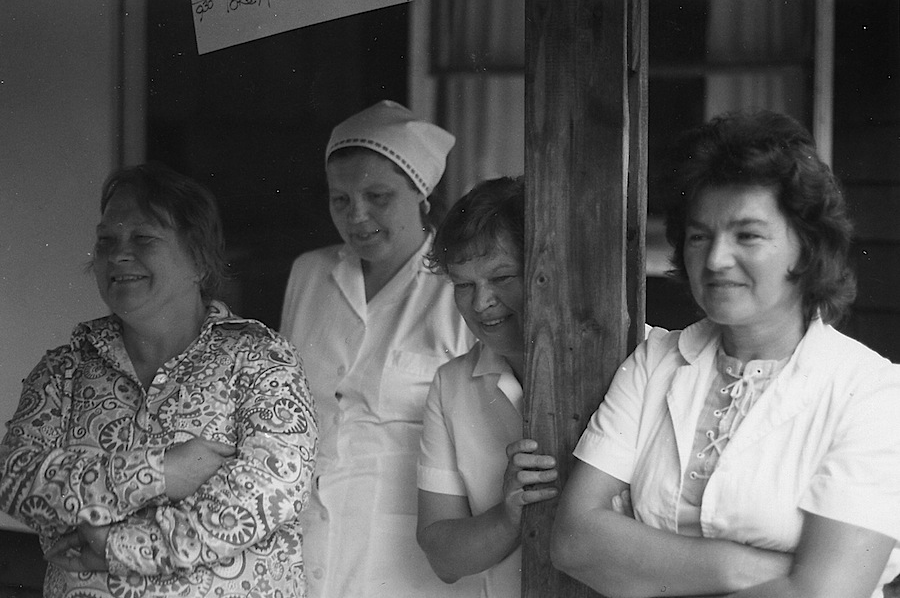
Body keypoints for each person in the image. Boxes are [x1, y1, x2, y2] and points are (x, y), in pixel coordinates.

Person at [550, 110, 900, 598]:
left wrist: (647, 566)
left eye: (748, 235)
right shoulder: (655, 363)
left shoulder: (872, 392)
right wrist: (762, 571)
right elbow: (573, 541)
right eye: (699, 236)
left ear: (806, 247)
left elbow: (824, 593)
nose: (715, 259)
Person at [0, 163, 318, 598]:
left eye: (143, 239)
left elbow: (265, 495)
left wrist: (117, 547)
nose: (118, 255)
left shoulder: (259, 359)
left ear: (199, 260)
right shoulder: (65, 370)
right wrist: (160, 472)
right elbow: (15, 479)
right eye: (106, 241)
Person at [279, 100, 474, 597]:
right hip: (304, 540)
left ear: (423, 194)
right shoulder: (310, 274)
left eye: (378, 195)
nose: (357, 216)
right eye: (340, 199)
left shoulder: (458, 288)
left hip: (409, 555)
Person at [415, 176, 558, 597]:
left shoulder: (642, 357)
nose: (481, 304)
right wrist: (507, 515)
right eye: (464, 285)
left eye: (501, 277)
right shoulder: (452, 385)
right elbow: (443, 557)